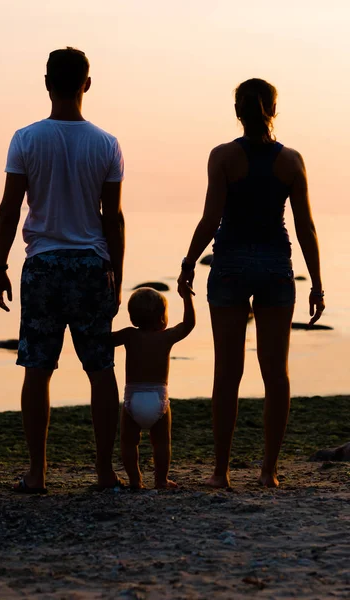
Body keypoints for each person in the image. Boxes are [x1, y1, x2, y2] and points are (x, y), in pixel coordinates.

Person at [178, 78, 325, 489]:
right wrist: (317, 283)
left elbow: (211, 219)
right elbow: (306, 227)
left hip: (229, 263)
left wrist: (189, 261)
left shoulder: (223, 157)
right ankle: (268, 472)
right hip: (277, 264)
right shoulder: (292, 161)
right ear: (274, 111)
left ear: (237, 112)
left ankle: (221, 472)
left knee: (227, 372)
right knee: (275, 372)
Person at [0, 47, 125, 493]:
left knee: (37, 368)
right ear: (87, 84)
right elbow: (114, 217)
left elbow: (10, 208)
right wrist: (117, 274)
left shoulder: (26, 139)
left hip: (44, 265)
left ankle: (37, 472)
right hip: (91, 264)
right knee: (101, 368)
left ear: (47, 82)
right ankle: (105, 472)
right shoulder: (106, 143)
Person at [113, 285, 195, 489]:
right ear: (162, 318)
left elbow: (105, 338)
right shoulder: (166, 337)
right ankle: (160, 480)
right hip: (158, 398)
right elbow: (188, 324)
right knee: (161, 443)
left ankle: (135, 480)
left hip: (133, 398)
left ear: (133, 318)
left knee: (129, 442)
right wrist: (187, 298)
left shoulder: (129, 335)